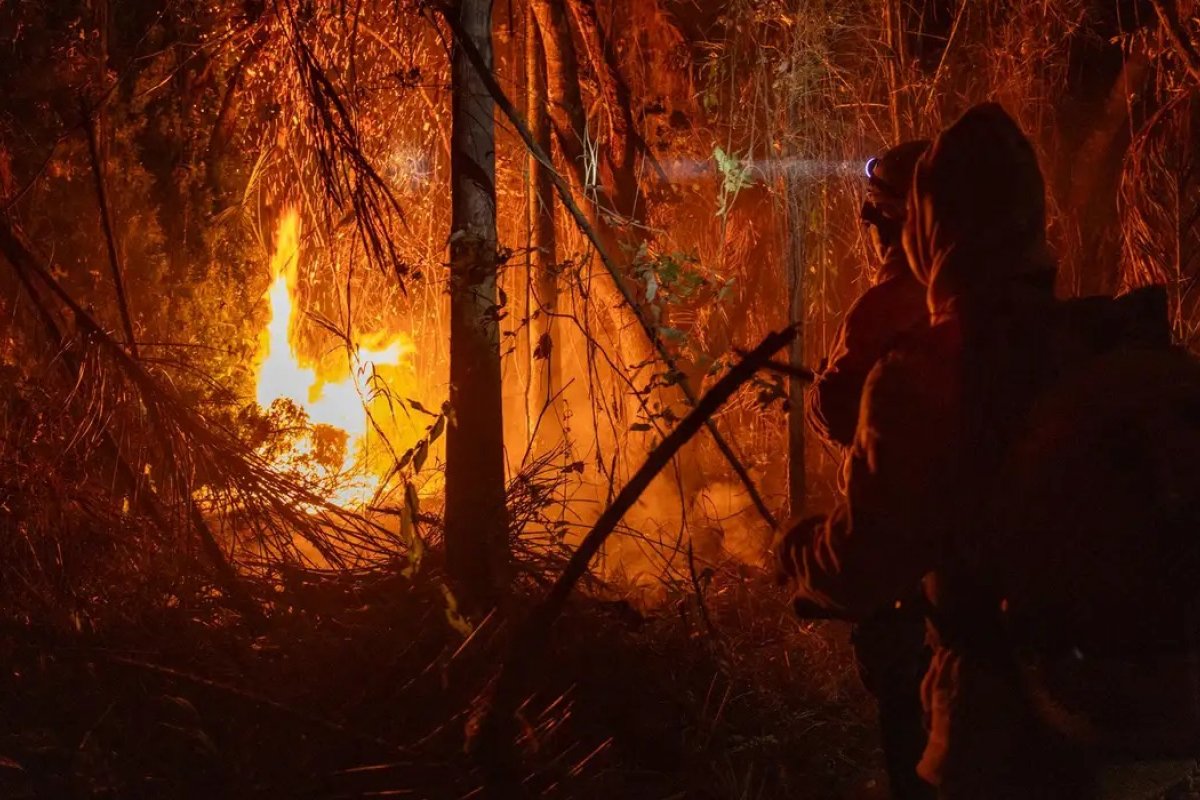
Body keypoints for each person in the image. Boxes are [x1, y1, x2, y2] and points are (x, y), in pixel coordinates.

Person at [780, 102, 1200, 798]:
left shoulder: (925, 374)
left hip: (1005, 734)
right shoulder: (1101, 346)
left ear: (926, 229)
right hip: (1148, 731)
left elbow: (862, 564)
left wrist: (796, 549)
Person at [804, 140, 935, 800]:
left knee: (916, 757)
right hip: (1022, 637)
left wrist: (807, 557)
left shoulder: (886, 312)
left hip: (918, 604)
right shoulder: (1022, 314)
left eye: (879, 216)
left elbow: (841, 415)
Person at [805, 140, 930, 453]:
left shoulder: (883, 309)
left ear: (889, 219)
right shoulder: (980, 295)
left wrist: (822, 388)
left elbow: (835, 414)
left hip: (896, 498)